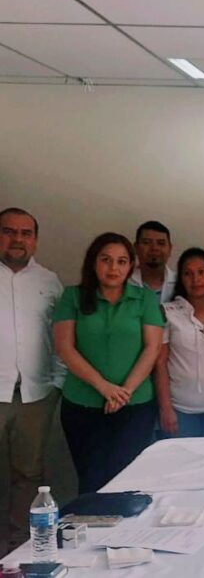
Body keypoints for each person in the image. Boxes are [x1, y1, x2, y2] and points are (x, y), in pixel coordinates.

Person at [52, 232, 164, 494]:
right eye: (106, 260)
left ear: (131, 266)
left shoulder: (145, 299)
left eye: (122, 261)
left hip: (135, 406)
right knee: (91, 479)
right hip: (83, 405)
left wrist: (124, 391)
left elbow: (153, 348)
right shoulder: (73, 297)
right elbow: (65, 348)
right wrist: (105, 388)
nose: (114, 268)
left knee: (128, 481)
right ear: (93, 263)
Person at [0, 208, 63, 554]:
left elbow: (61, 335)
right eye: (9, 231)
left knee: (29, 475)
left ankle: (18, 548)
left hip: (35, 395)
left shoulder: (49, 281)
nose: (17, 239)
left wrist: (58, 383)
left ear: (35, 240)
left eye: (25, 233)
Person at [154, 248, 204, 438]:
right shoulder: (168, 312)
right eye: (188, 274)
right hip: (181, 408)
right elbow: (160, 363)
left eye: (202, 272)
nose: (195, 279)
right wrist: (165, 408)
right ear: (180, 279)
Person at [130, 221, 176, 304]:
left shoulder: (181, 283)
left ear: (170, 249)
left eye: (161, 243)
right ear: (136, 248)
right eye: (147, 242)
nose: (154, 248)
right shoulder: (123, 282)